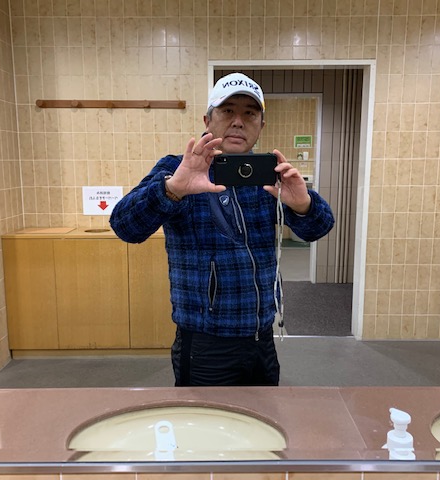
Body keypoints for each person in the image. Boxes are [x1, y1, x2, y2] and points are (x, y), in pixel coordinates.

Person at [110, 72, 334, 386]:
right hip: (205, 342)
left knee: (263, 414)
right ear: (207, 120)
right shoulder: (177, 169)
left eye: (250, 113)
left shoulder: (268, 175)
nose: (238, 121)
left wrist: (303, 204)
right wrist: (172, 189)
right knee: (203, 417)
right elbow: (125, 226)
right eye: (228, 111)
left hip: (261, 337)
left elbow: (318, 228)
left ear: (261, 125)